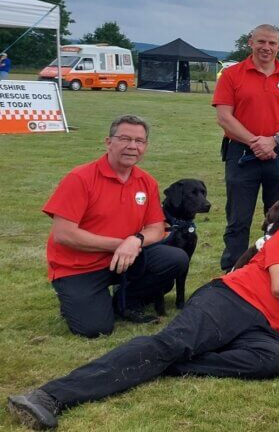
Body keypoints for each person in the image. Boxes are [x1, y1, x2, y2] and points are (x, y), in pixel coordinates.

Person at [7, 202, 279, 430]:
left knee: (273, 361)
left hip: (269, 334)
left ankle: (170, 364)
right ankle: (49, 396)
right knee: (172, 343)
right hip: (234, 300)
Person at [40, 114, 189, 336]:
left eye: (139, 141)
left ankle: (125, 299)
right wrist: (120, 244)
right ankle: (77, 299)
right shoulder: (80, 178)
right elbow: (64, 234)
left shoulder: (146, 182)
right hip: (79, 267)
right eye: (125, 139)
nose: (132, 146)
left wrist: (135, 240)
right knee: (95, 329)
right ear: (108, 142)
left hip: (125, 259)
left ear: (145, 146)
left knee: (175, 259)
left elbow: (156, 229)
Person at [212, 24, 279, 270]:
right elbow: (224, 116)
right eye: (261, 42)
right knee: (238, 217)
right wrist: (254, 141)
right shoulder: (232, 74)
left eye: (272, 43)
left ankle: (277, 266)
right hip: (242, 153)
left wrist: (274, 140)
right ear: (251, 42)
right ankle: (233, 270)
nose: (266, 47)